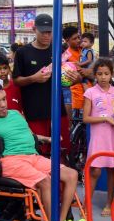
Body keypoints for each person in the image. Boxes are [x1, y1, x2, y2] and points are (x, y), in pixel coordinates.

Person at [0, 81, 85, 221]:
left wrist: (45, 138)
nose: (3, 104)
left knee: (72, 174)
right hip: (11, 161)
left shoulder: (16, 114)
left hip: (33, 156)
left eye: (4, 99)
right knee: (45, 181)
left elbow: (25, 135)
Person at [13, 14, 76, 155]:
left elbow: (66, 77)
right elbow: (16, 80)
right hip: (34, 111)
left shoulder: (59, 50)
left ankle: (62, 177)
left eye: (50, 31)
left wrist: (73, 77)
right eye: (43, 32)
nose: (47, 35)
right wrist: (34, 78)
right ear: (34, 29)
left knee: (62, 149)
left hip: (57, 109)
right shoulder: (23, 52)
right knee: (39, 151)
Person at [83, 59, 114, 218]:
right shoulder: (90, 92)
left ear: (112, 74)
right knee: (95, 171)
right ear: (95, 75)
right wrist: (105, 119)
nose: (103, 77)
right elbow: (86, 118)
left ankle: (109, 203)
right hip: (98, 138)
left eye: (106, 73)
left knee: (112, 170)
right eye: (99, 74)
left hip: (113, 136)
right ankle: (86, 203)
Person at [61, 26, 81, 118]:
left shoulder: (84, 50)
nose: (78, 40)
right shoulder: (65, 56)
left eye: (78, 37)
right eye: (75, 38)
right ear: (67, 40)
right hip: (75, 95)